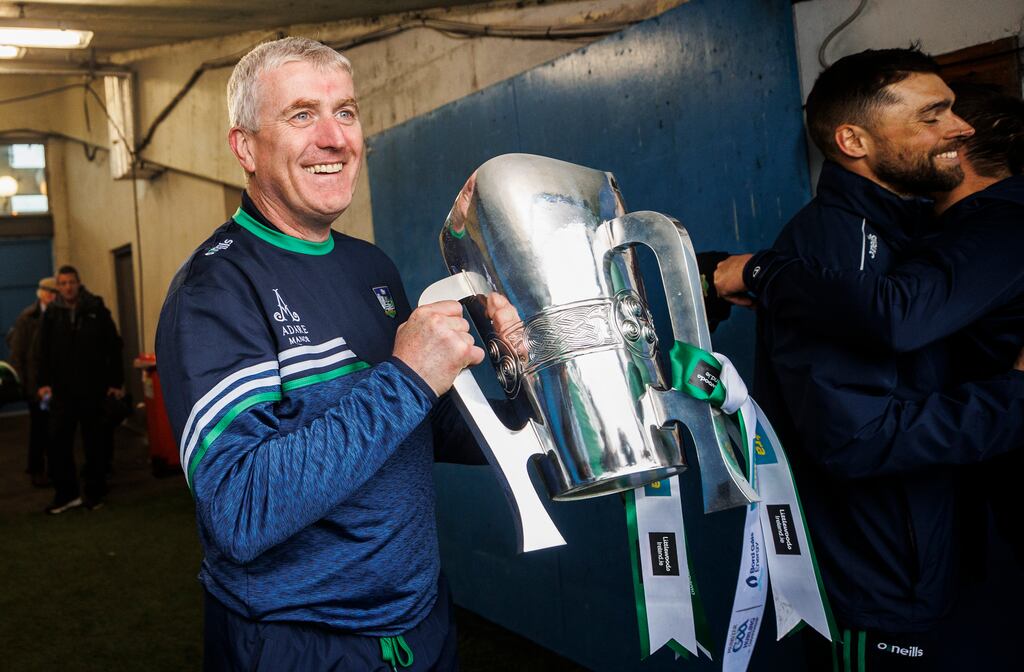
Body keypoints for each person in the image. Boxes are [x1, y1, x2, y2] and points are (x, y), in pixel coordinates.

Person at [155, 37, 487, 671]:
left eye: (347, 111)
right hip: (299, 641)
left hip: (418, 621)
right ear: (244, 147)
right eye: (302, 114)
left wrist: (538, 389)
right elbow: (239, 509)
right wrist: (409, 376)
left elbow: (421, 426)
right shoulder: (215, 291)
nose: (335, 138)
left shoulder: (371, 266)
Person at [703, 49, 1024, 670]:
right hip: (877, 583)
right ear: (853, 139)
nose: (960, 128)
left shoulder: (916, 235)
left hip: (933, 563)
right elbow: (854, 438)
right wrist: (1013, 397)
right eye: (934, 115)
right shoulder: (830, 243)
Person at [36, 266, 124, 513]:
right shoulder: (52, 315)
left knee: (94, 445)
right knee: (57, 443)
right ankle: (67, 495)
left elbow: (114, 347)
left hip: (93, 391)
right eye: (62, 283)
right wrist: (43, 383)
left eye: (71, 282)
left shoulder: (95, 309)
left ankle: (94, 494)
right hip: (62, 393)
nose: (67, 287)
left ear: (79, 283)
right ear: (58, 287)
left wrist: (115, 384)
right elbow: (42, 352)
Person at [7, 276, 59, 486]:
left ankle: (55, 469)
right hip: (35, 385)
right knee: (39, 430)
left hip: (54, 383)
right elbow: (18, 355)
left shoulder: (58, 315)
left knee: (55, 431)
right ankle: (36, 469)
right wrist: (29, 386)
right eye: (53, 292)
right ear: (45, 294)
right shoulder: (27, 318)